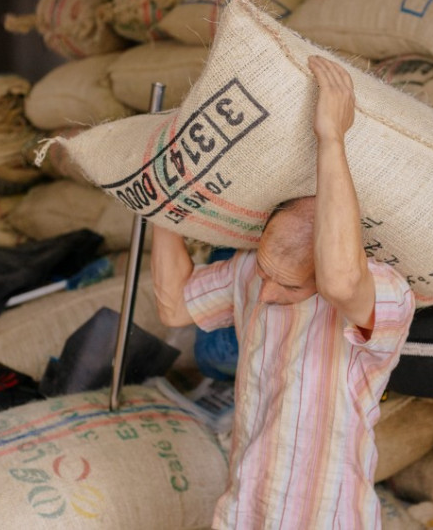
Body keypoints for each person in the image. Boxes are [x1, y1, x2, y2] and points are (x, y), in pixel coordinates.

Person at [151, 55, 415, 529]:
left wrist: (331, 138)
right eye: (267, 272)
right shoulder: (252, 271)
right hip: (244, 511)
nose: (266, 292)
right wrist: (160, 199)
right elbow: (173, 305)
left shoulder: (385, 293)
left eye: (289, 283)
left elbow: (339, 277)